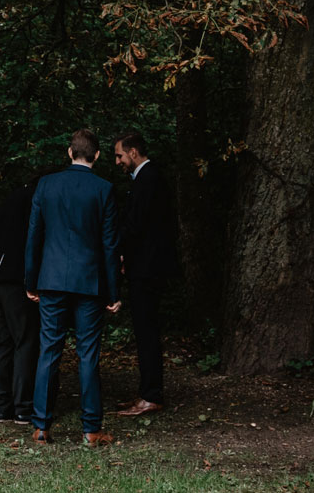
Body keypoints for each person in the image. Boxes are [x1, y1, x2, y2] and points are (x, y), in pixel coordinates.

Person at [25, 128, 121, 448]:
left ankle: (41, 427)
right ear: (97, 155)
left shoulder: (46, 185)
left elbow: (34, 237)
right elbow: (110, 246)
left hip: (51, 280)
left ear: (69, 152)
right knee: (88, 355)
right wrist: (113, 292)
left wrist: (31, 281)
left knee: (49, 351)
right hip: (90, 283)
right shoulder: (104, 189)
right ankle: (91, 430)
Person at [113, 129, 170, 417]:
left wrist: (117, 250)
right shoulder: (147, 179)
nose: (118, 161)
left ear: (133, 152)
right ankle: (147, 392)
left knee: (147, 332)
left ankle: (151, 395)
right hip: (144, 266)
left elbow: (136, 226)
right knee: (144, 331)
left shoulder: (148, 180)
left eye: (120, 155)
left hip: (147, 270)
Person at [0, 178, 40, 425]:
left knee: (5, 341)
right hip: (14, 277)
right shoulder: (34, 199)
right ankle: (24, 407)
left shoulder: (13, 197)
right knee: (25, 340)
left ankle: (2, 406)